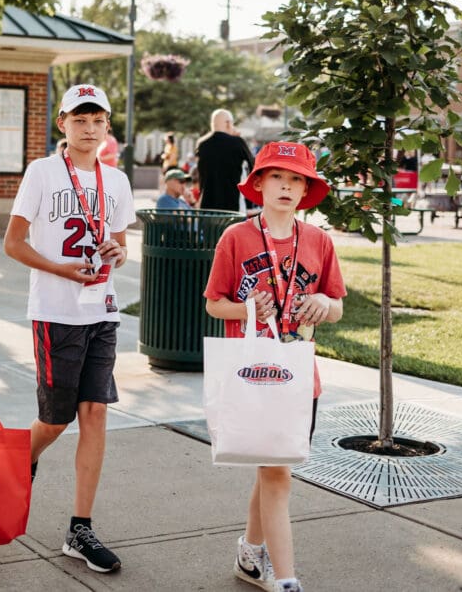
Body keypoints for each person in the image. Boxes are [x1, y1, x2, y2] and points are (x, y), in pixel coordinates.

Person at [3, 83, 134, 574]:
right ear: (62, 123)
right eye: (79, 119)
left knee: (95, 413)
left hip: (101, 308)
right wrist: (61, 269)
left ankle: (80, 527)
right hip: (56, 311)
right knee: (56, 421)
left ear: (106, 126)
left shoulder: (116, 181)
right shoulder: (42, 172)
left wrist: (118, 252)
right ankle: (20, 460)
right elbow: (13, 244)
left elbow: (119, 243)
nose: (89, 127)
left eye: (97, 119)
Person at [204, 141, 346, 592]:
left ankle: (249, 553)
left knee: (272, 470)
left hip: (298, 380)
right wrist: (246, 308)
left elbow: (337, 304)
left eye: (296, 179)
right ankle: (285, 579)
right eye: (277, 178)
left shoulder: (319, 240)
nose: (286, 187)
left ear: (306, 190)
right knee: (277, 474)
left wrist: (325, 301)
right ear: (259, 184)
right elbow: (213, 305)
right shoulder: (236, 237)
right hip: (251, 376)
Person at [196, 109, 255, 213]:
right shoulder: (237, 142)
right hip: (231, 207)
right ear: (228, 123)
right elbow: (253, 165)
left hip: (207, 206)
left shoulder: (202, 144)